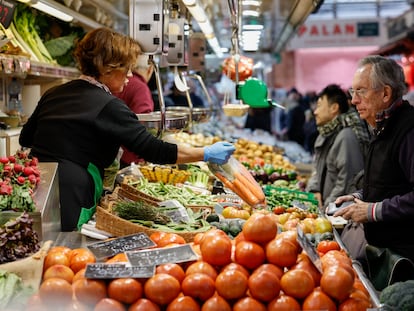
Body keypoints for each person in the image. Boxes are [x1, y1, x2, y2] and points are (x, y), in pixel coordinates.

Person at [19, 27, 235, 232]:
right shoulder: (108, 106)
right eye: (126, 68)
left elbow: (26, 137)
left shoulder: (54, 93)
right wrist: (205, 153)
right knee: (63, 249)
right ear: (106, 68)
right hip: (71, 194)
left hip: (35, 187)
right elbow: (153, 150)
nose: (131, 75)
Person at [334, 55, 414, 264]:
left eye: (361, 91)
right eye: (353, 91)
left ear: (385, 93)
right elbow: (393, 182)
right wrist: (361, 196)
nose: (353, 100)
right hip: (385, 252)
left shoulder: (408, 131)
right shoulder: (381, 127)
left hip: (404, 259)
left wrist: (372, 211)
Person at [306, 84, 368, 210]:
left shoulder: (346, 137)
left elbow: (346, 184)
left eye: (319, 106)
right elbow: (317, 170)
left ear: (334, 108)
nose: (315, 112)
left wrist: (325, 210)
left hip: (339, 215)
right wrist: (314, 190)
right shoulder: (325, 134)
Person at [113, 53, 155, 167]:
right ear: (150, 69)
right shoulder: (141, 88)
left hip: (111, 152)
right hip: (129, 156)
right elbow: (143, 123)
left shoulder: (117, 81)